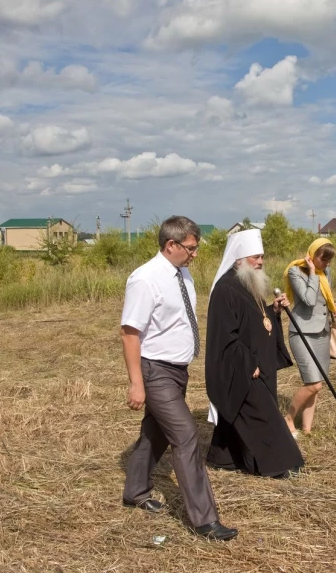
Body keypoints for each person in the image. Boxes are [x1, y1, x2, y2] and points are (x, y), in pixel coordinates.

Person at [120, 215, 237, 541]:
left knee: (154, 434)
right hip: (155, 371)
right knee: (185, 436)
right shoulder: (145, 280)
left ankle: (135, 491)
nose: (195, 254)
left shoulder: (182, 274)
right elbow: (130, 334)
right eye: (191, 247)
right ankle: (205, 521)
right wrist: (137, 383)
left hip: (176, 371)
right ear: (170, 245)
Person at [205, 229, 305, 478]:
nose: (260, 261)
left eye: (262, 257)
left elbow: (256, 320)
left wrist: (274, 311)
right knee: (263, 416)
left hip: (258, 361)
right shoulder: (226, 289)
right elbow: (226, 335)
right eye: (255, 257)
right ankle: (280, 464)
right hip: (243, 366)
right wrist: (248, 363)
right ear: (239, 258)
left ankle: (224, 458)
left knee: (240, 413)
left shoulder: (247, 283)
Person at [283, 238, 336, 437]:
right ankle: (288, 418)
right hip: (302, 333)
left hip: (322, 332)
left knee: (318, 385)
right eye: (324, 260)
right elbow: (308, 300)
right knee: (313, 383)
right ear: (313, 255)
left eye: (329, 261)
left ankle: (307, 429)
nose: (327, 264)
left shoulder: (326, 271)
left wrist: (333, 305)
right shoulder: (295, 271)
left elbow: (322, 297)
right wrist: (314, 273)